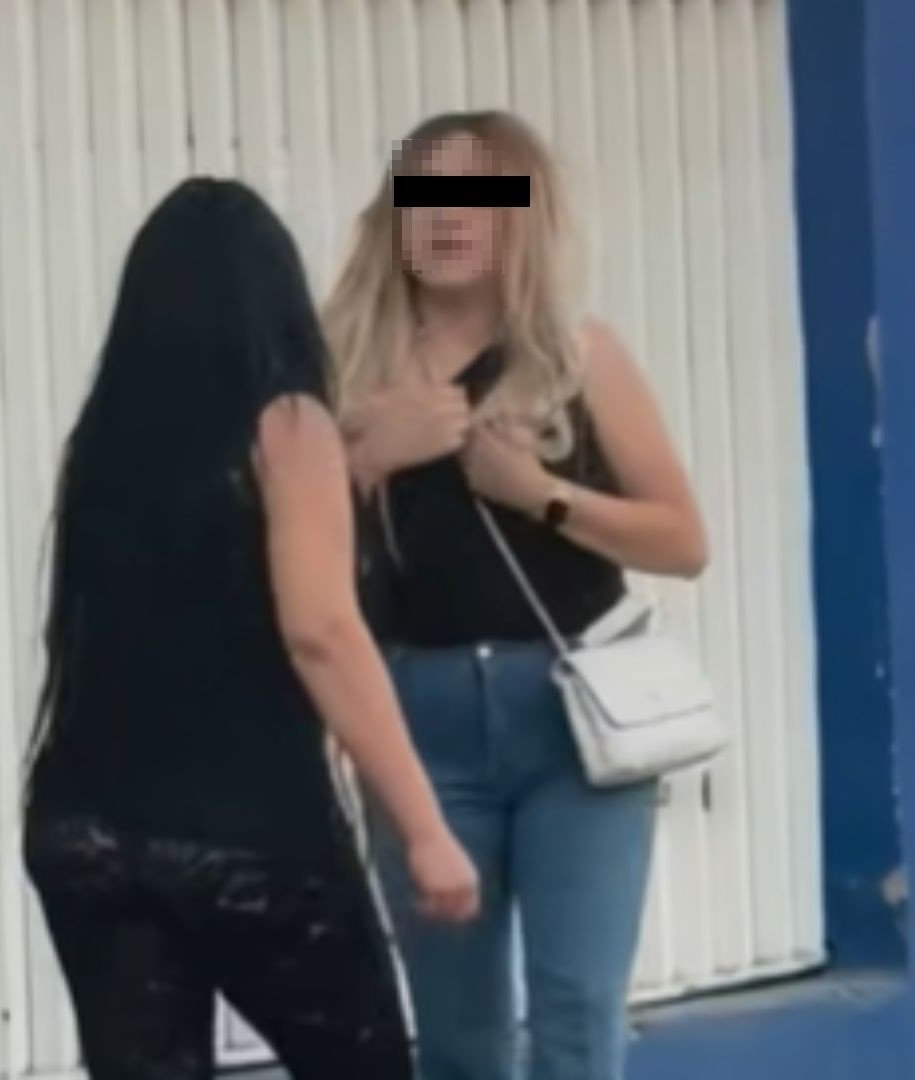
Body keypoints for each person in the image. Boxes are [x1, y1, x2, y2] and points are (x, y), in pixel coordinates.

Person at [20, 177, 479, 1080]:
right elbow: (321, 630)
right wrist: (424, 827)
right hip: (249, 824)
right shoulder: (289, 425)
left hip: (84, 823)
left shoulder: (104, 441)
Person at [322, 110, 709, 1080]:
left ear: (518, 215)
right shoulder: (346, 367)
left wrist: (540, 494)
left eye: (478, 192)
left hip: (569, 717)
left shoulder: (578, 356)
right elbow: (285, 554)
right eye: (426, 193)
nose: (450, 215)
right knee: (458, 1032)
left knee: (578, 1013)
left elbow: (682, 541)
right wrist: (364, 460)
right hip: (416, 715)